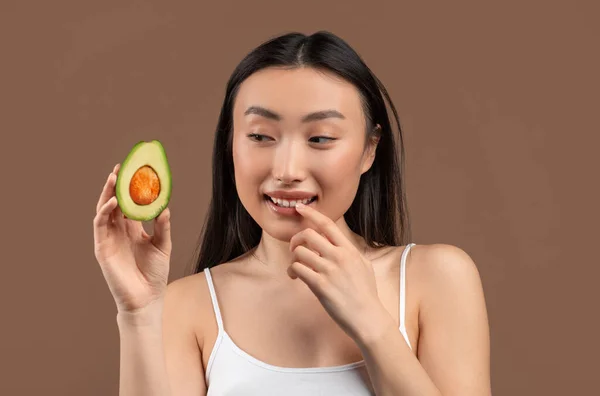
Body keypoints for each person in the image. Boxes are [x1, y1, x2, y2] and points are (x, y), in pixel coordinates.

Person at [93, 31, 491, 395]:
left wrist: (370, 321)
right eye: (260, 136)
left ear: (370, 149)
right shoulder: (188, 304)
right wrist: (140, 314)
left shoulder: (437, 279)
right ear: (230, 145)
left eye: (320, 138)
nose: (286, 170)